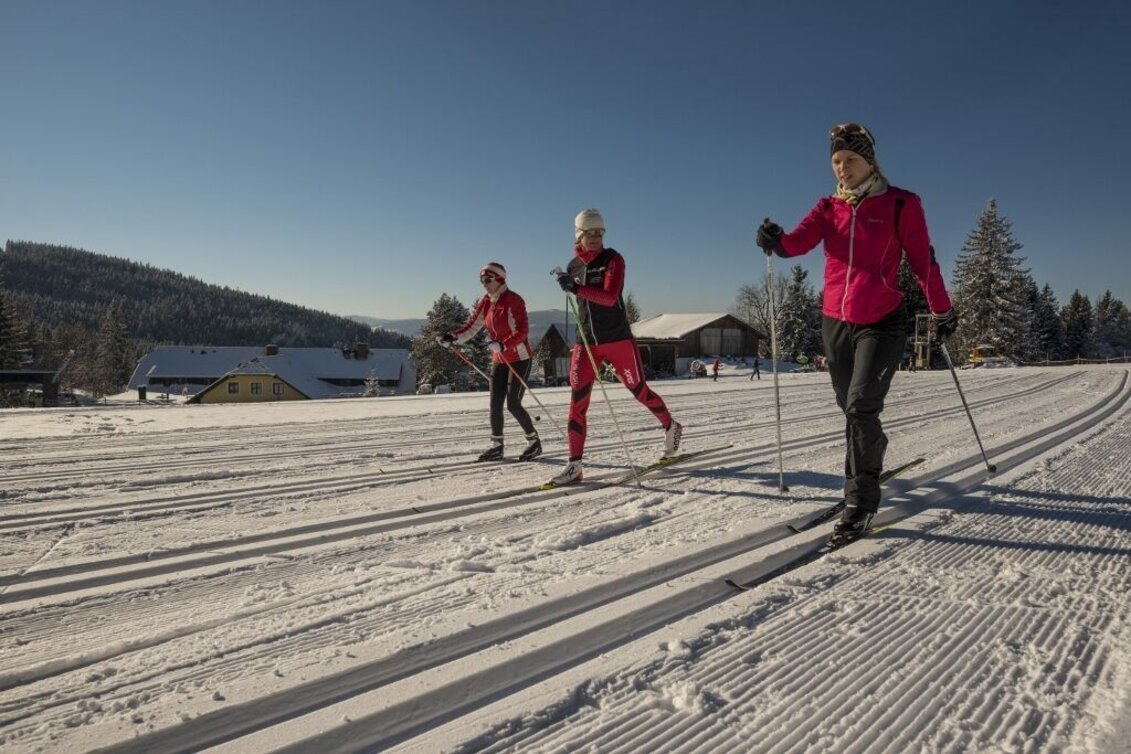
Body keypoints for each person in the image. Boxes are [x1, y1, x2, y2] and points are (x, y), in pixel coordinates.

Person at [756, 123, 957, 546]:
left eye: (850, 160)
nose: (842, 168)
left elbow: (923, 263)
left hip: (882, 321)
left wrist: (942, 310)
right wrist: (774, 241)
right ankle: (871, 454)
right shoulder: (829, 208)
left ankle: (862, 499)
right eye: (835, 161)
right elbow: (796, 244)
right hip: (835, 321)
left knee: (861, 406)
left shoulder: (902, 204)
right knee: (851, 410)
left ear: (870, 161)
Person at [548, 208, 682, 485]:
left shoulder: (614, 260)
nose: (595, 238)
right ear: (579, 235)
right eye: (589, 233)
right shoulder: (573, 266)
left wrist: (575, 289)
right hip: (586, 344)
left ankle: (671, 426)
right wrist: (571, 285)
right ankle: (574, 466)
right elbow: (580, 300)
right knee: (577, 403)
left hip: (618, 340)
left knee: (639, 391)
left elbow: (609, 298)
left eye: (600, 232)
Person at [436, 262, 541, 462]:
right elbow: (471, 327)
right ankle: (497, 446)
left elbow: (522, 331)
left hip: (519, 357)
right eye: (482, 280)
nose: (484, 284)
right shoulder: (486, 301)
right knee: (495, 404)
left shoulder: (514, 300)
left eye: (487, 280)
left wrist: (503, 344)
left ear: (499, 279)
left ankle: (534, 442)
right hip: (499, 358)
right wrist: (452, 337)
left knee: (513, 404)